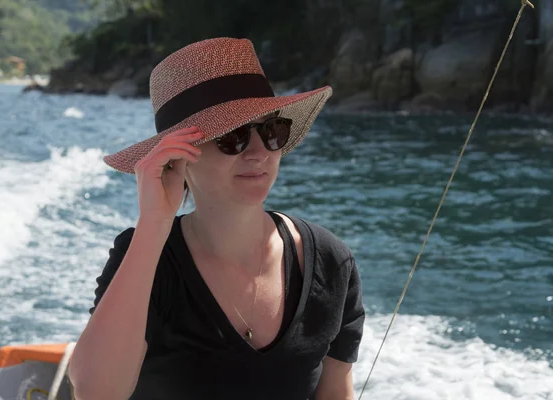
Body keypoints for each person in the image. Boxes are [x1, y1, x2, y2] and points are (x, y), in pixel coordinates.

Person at [68, 37, 365, 400]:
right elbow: (95, 392)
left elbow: (337, 393)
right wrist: (154, 224)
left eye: (272, 131)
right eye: (233, 137)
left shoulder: (331, 262)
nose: (259, 152)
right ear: (178, 157)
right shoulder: (145, 256)